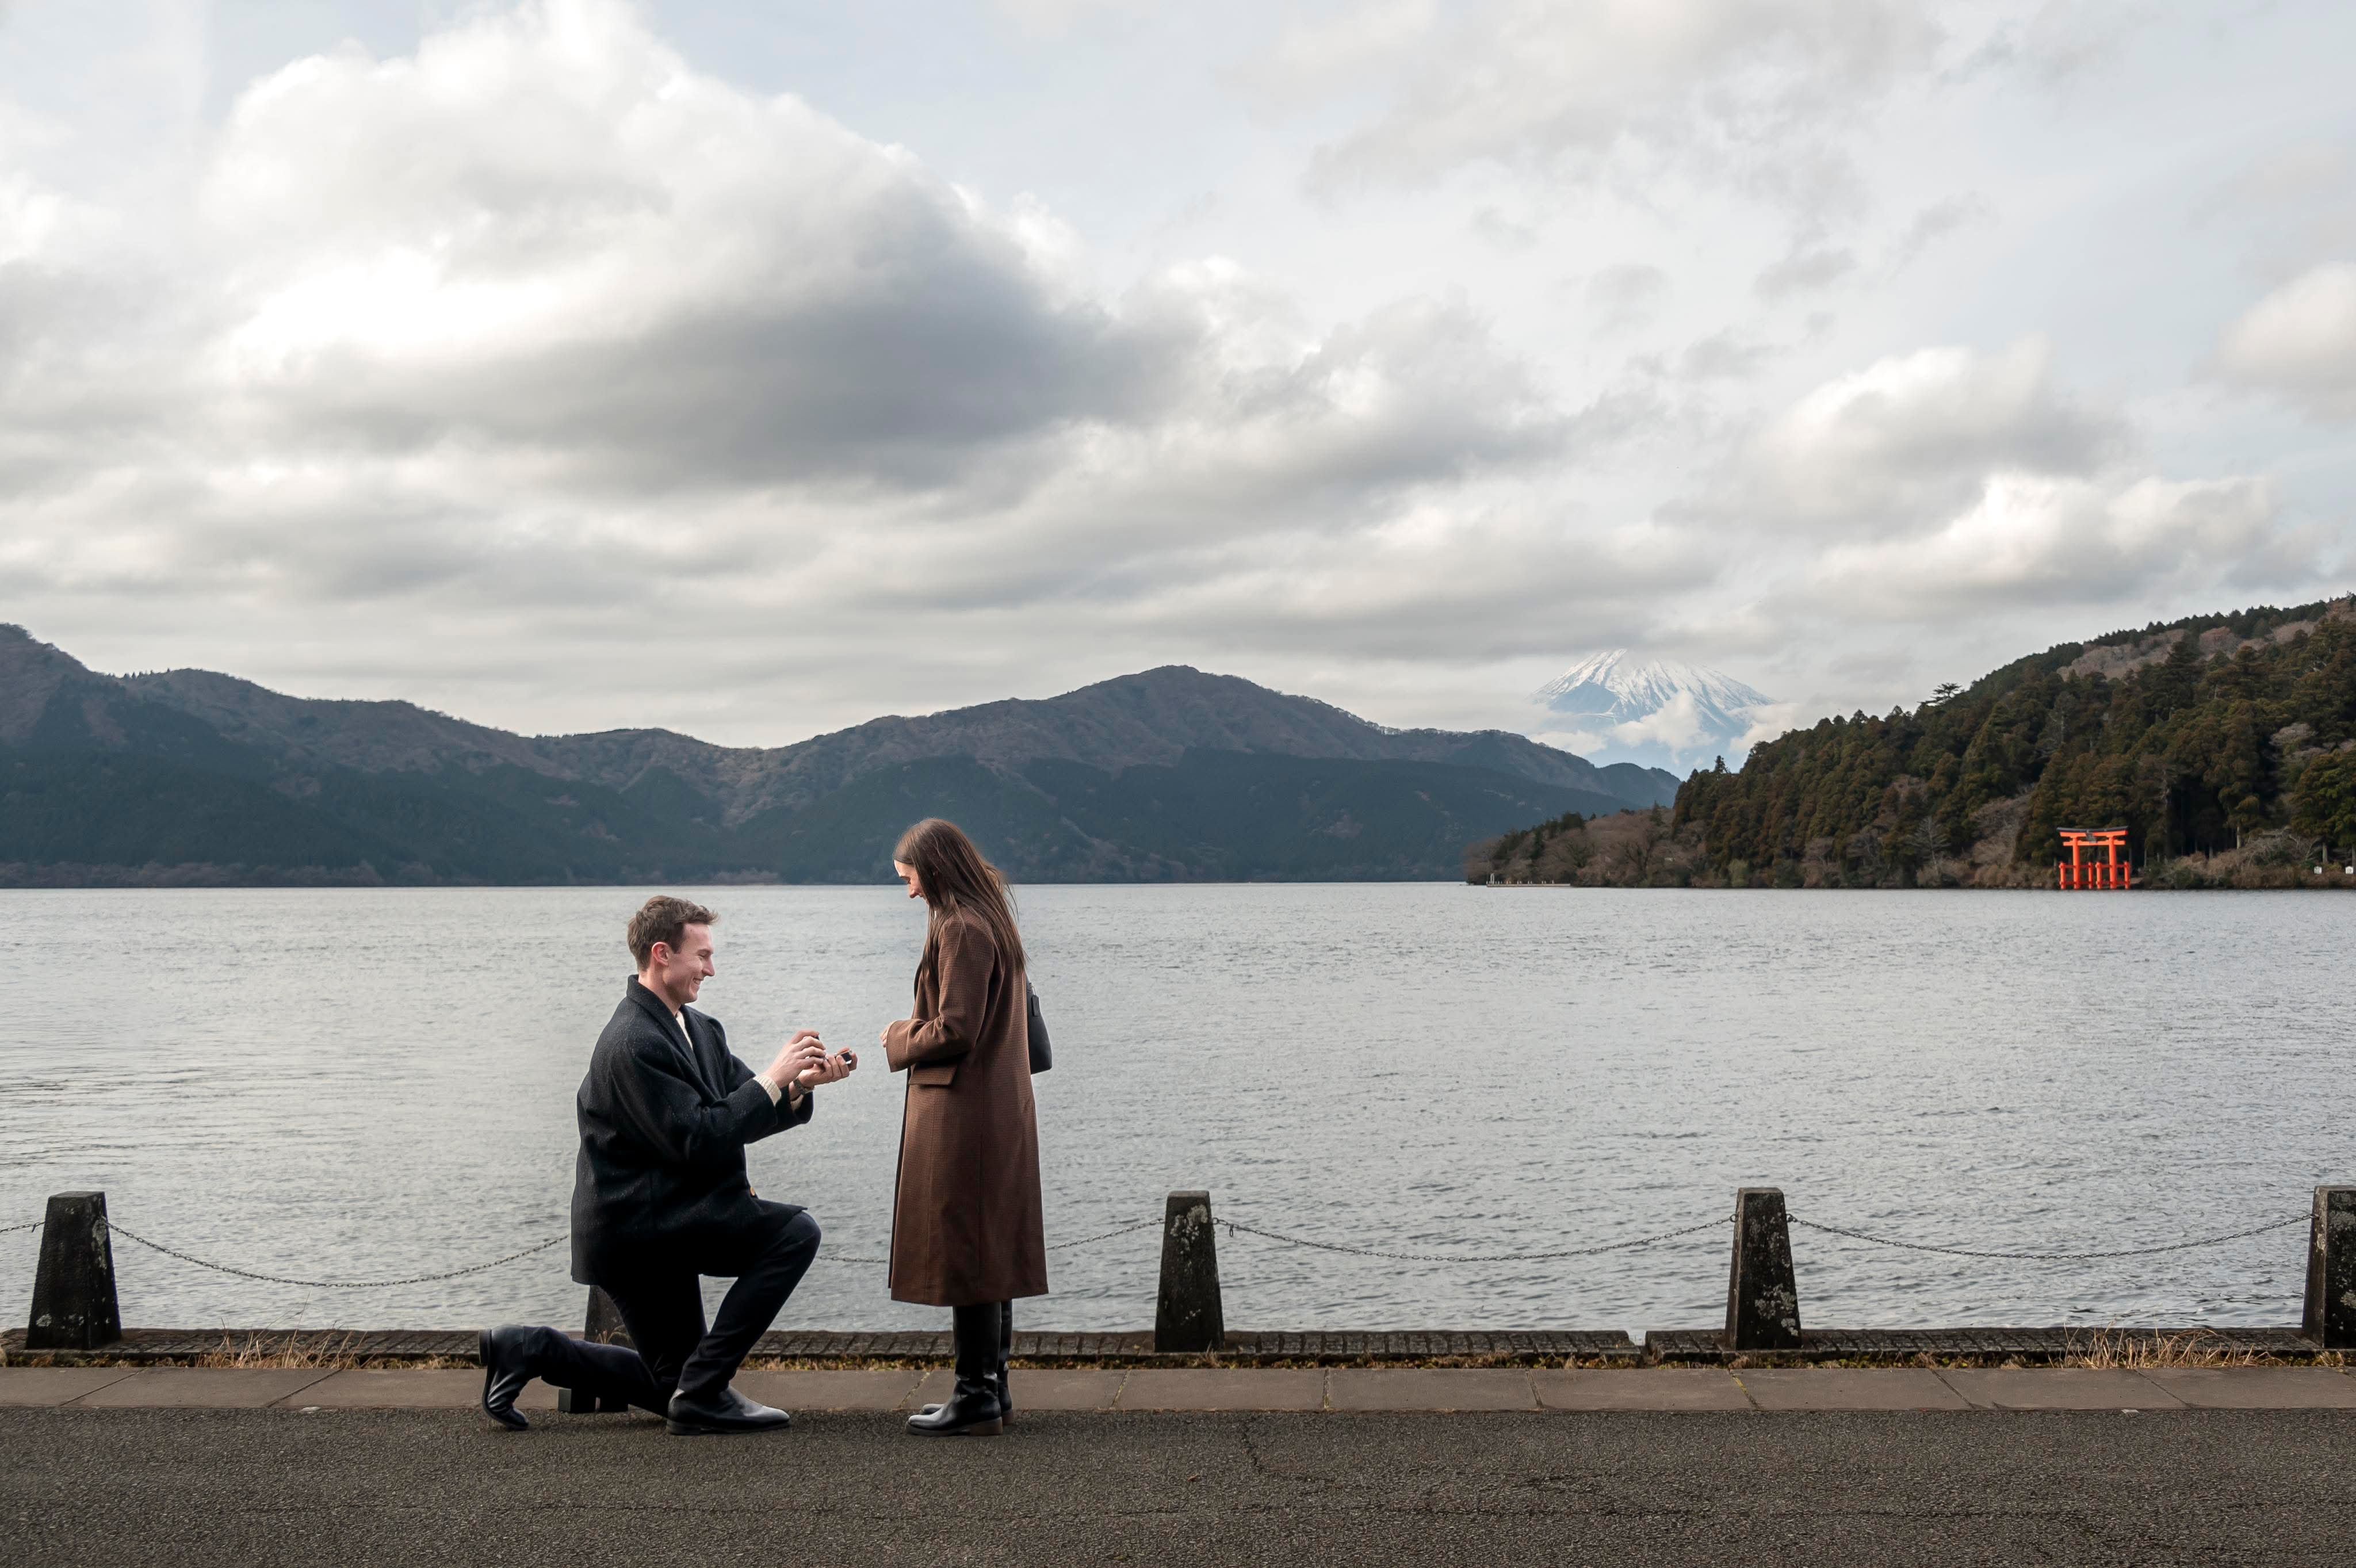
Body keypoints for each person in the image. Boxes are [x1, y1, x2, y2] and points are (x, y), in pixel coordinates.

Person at [480, 895, 854, 1435]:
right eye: (701, 956)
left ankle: (528, 1348)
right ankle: (705, 1391)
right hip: (638, 1233)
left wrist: (797, 1087)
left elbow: (739, 1112)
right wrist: (773, 1078)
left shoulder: (700, 1029)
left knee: (668, 1388)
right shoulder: (632, 1042)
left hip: (665, 1219)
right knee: (794, 1232)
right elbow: (700, 1138)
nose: (711, 969)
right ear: (662, 954)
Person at [880, 819, 1047, 1437]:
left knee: (969, 1250)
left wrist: (897, 1035)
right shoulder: (989, 921)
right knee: (984, 1246)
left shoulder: (962, 927)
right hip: (992, 1106)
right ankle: (990, 1391)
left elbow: (956, 1028)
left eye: (911, 877)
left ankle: (975, 1394)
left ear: (936, 868)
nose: (910, 892)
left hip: (966, 1112)